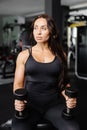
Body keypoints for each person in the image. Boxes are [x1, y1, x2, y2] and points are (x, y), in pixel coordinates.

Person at [12, 14, 80, 130]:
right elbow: (18, 84)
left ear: (52, 32)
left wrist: (69, 98)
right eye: (35, 28)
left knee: (73, 128)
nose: (38, 32)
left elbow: (63, 82)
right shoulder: (24, 55)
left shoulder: (60, 55)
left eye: (43, 28)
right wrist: (19, 100)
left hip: (53, 105)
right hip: (30, 105)